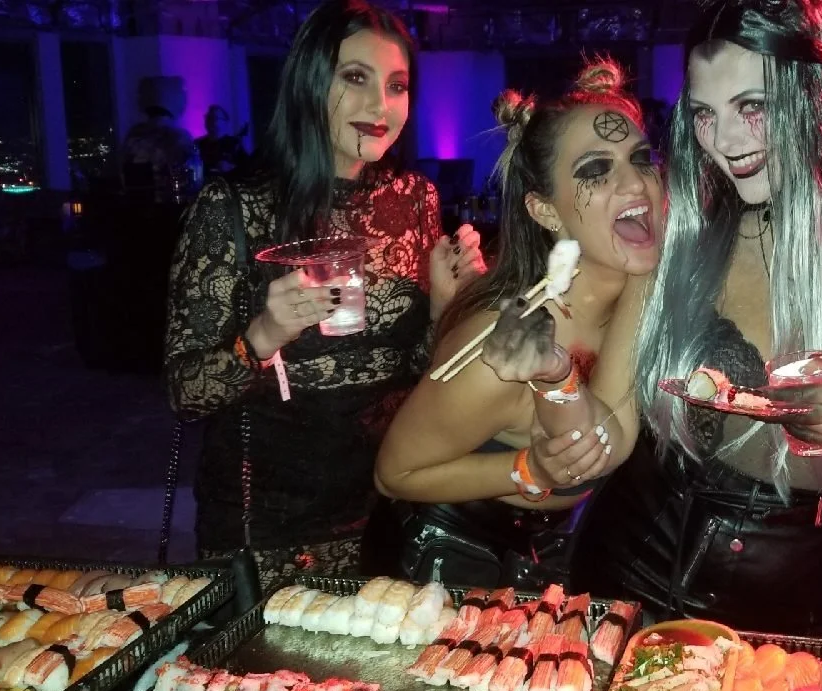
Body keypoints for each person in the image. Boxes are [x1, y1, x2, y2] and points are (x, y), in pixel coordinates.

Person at [531, 0, 822, 638]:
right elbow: (609, 431)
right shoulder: (687, 234)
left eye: (752, 106)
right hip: (637, 581)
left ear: (820, 93)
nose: (724, 142)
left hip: (807, 609)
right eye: (704, 114)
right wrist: (556, 403)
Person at [165, 0, 485, 583]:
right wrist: (263, 336)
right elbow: (185, 393)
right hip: (265, 523)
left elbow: (419, 372)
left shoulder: (415, 200)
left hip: (388, 505)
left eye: (397, 86)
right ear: (311, 83)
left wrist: (446, 308)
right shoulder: (233, 207)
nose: (379, 107)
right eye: (355, 78)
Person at [364, 59, 662, 589]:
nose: (635, 181)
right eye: (596, 169)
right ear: (546, 211)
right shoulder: (500, 348)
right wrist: (530, 470)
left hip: (545, 548)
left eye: (642, 158)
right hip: (442, 558)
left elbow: (612, 437)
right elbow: (394, 474)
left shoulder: (638, 286)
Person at [120, 76, 202, 201]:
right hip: (170, 206)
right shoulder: (180, 137)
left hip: (138, 208)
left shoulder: (132, 135)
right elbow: (194, 179)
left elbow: (124, 174)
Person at [196, 105, 249, 178]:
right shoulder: (197, 144)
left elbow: (248, 168)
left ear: (225, 122)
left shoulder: (234, 143)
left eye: (214, 118)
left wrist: (231, 167)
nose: (210, 121)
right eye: (208, 117)